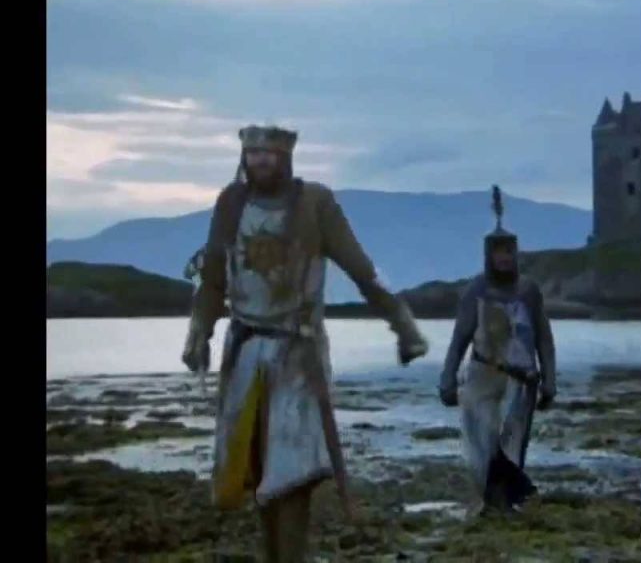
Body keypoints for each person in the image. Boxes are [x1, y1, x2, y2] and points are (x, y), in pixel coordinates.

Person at [181, 124, 428, 562]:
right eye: (252, 152)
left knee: (292, 472)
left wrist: (403, 326)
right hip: (245, 351)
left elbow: (362, 269)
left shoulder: (316, 203)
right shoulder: (231, 203)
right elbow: (213, 275)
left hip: (298, 354)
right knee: (258, 468)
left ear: (286, 156)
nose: (260, 160)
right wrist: (199, 332)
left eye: (268, 152)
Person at [439, 186, 557, 514]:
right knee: (484, 443)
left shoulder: (528, 291)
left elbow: (544, 339)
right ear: (489, 255)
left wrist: (550, 380)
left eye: (509, 251)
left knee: (512, 445)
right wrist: (448, 378)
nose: (505, 258)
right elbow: (460, 338)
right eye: (499, 252)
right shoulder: (475, 291)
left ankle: (506, 504)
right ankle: (498, 501)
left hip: (522, 381)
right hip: (483, 376)